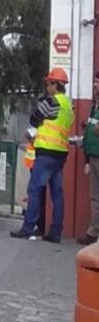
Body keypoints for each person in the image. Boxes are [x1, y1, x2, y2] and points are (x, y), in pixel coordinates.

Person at [12, 67, 74, 243]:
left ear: (56, 84)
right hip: (60, 154)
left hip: (46, 152)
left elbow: (35, 117)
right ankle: (55, 232)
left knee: (35, 190)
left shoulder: (51, 102)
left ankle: (28, 227)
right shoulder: (68, 105)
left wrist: (34, 130)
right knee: (57, 194)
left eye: (49, 83)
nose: (47, 87)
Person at [79, 72, 99, 245]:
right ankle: (93, 233)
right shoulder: (95, 105)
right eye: (94, 82)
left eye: (98, 82)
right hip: (93, 155)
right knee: (95, 196)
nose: (95, 85)